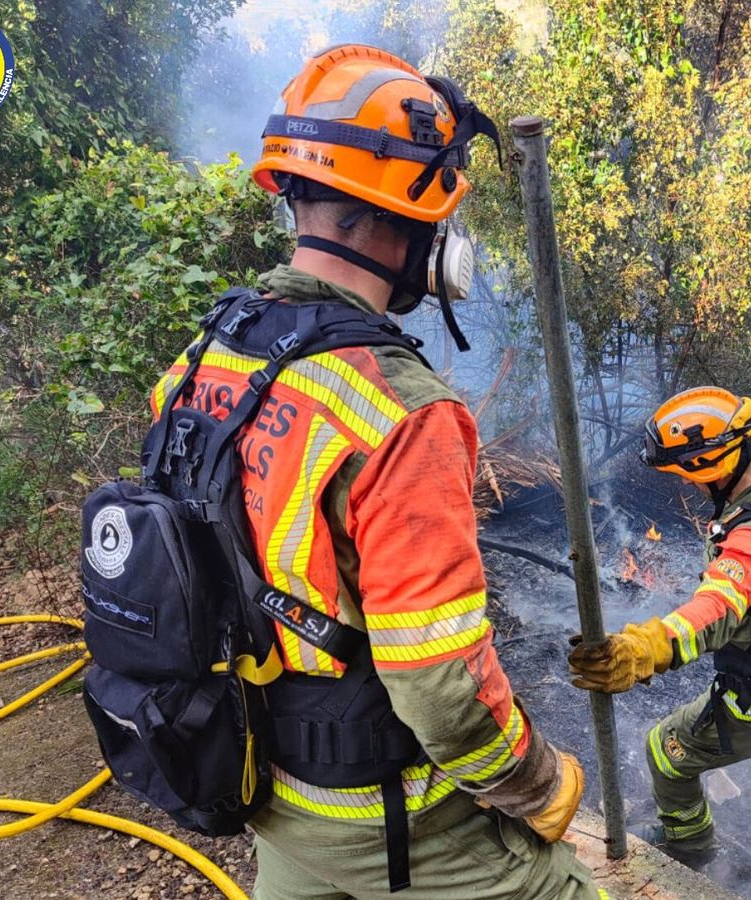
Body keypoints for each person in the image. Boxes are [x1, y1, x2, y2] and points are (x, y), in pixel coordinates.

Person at [150, 44, 601, 899]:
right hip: (398, 820)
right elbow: (439, 687)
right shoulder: (402, 409)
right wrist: (538, 784)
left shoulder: (200, 363)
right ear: (415, 217)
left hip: (261, 789)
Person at [568, 387, 751, 900]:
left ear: (711, 464)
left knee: (665, 749)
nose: (691, 486)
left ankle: (690, 846)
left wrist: (641, 649)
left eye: (688, 474)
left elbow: (714, 610)